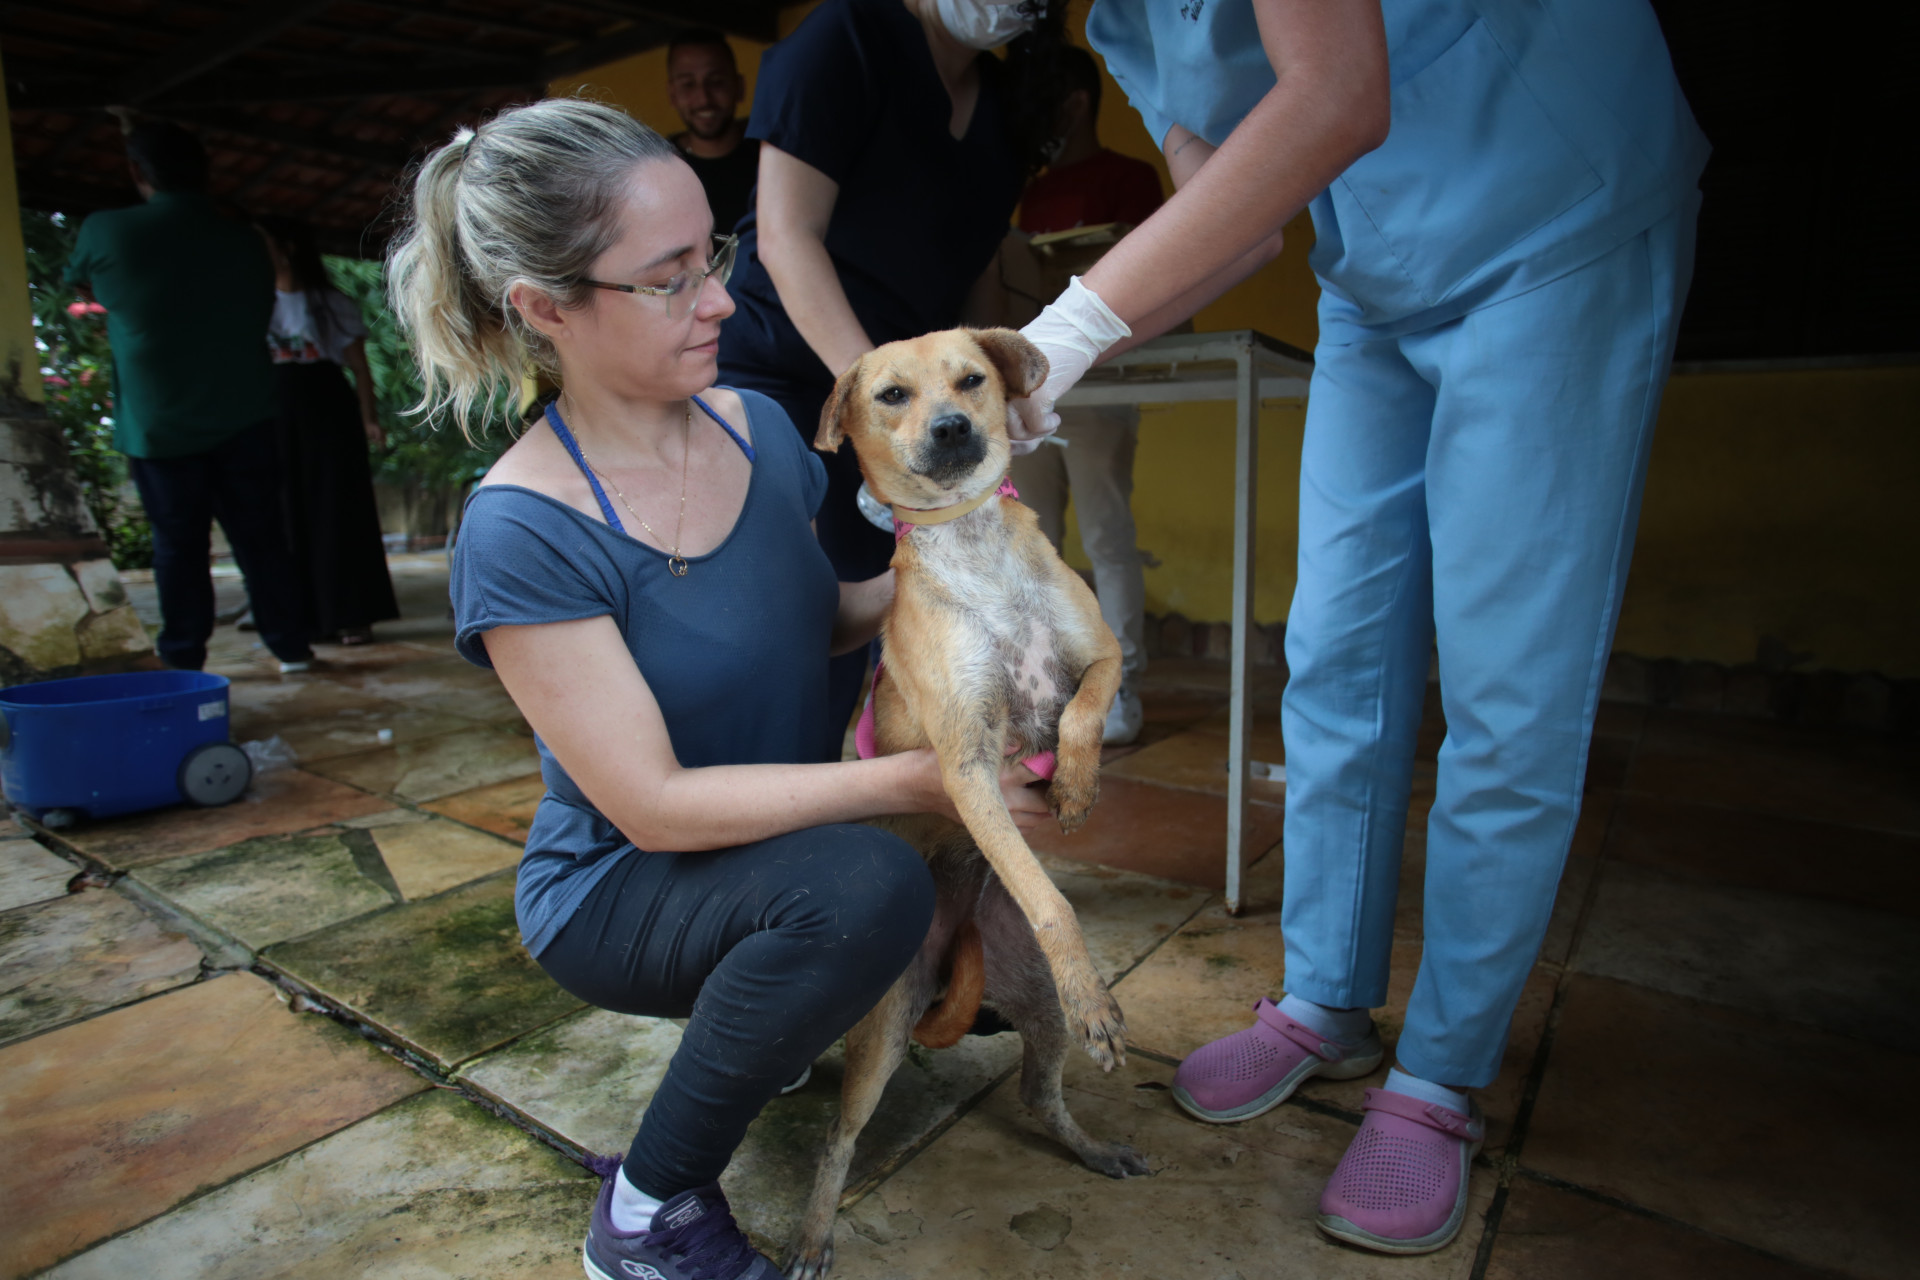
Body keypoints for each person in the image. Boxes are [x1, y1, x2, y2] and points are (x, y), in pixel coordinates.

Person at [1004, 0, 1707, 1255]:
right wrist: (1033, 372)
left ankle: (1440, 1075)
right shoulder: (1121, 23)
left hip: (1555, 214)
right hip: (1373, 279)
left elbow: (1336, 95)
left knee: (1509, 678)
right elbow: (1238, 213)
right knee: (1333, 649)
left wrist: (1061, 333)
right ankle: (1326, 995)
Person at [388, 98, 1052, 1280]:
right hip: (618, 882)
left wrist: (969, 576)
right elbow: (649, 803)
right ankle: (644, 1213)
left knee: (892, 884)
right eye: (667, 280)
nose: (720, 303)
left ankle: (771, 1012)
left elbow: (815, 620)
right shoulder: (524, 529)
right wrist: (929, 777)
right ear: (545, 310)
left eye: (715, 256)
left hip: (761, 841)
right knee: (868, 887)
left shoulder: (756, 427)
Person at [717, 0, 1065, 759]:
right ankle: (764, 805)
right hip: (781, 371)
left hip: (906, 403)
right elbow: (785, 235)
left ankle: (857, 803)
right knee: (791, 610)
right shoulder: (843, 40)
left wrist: (990, 396)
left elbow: (977, 273)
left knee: (891, 603)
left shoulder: (1006, 106)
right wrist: (882, 407)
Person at [63, 122, 314, 674]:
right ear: (206, 171)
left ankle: (183, 659)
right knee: (261, 538)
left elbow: (82, 284)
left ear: (136, 171)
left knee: (178, 547)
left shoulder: (107, 229)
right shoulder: (244, 239)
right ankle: (291, 646)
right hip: (246, 410)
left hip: (158, 421)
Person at [1006, 44, 1162, 744]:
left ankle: (1119, 695)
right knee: (1035, 542)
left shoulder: (1131, 179)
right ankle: (1046, 690)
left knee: (1106, 535)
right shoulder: (1031, 191)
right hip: (1031, 388)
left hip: (1105, 382)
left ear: (1073, 103)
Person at [258, 217, 399, 647]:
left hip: (326, 410)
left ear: (286, 249)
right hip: (274, 411)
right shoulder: (253, 303)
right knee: (283, 509)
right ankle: (297, 616)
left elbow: (359, 368)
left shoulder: (330, 303)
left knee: (337, 507)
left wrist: (369, 418)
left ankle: (352, 613)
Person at [664, 28, 760, 236]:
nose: (703, 98)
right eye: (688, 84)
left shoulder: (772, 156)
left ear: (739, 87)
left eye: (716, 81)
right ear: (672, 94)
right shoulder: (660, 167)